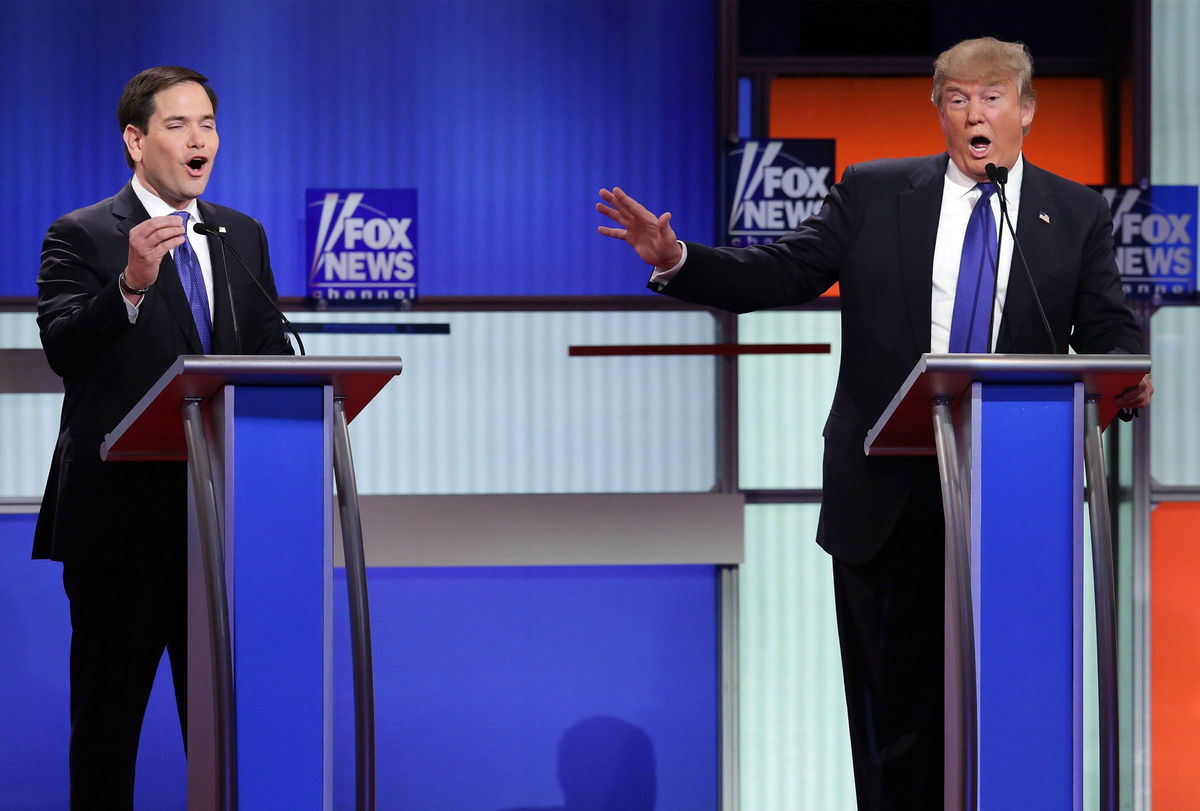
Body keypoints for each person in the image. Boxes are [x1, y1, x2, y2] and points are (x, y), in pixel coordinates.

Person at [596, 37, 1153, 809]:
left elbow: (1107, 329)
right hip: (886, 498)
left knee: (1011, 710)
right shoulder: (874, 191)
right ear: (940, 113)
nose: (974, 113)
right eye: (957, 99)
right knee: (896, 722)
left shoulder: (1076, 212)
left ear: (1025, 110)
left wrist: (1128, 378)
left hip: (1015, 501)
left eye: (991, 97)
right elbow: (784, 271)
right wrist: (681, 257)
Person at [34, 66, 293, 807]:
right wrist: (131, 287)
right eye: (177, 124)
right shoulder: (83, 234)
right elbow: (64, 349)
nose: (199, 138)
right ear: (135, 140)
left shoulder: (240, 233)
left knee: (220, 731)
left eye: (207, 123)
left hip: (222, 528)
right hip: (120, 527)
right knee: (108, 730)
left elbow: (270, 351)